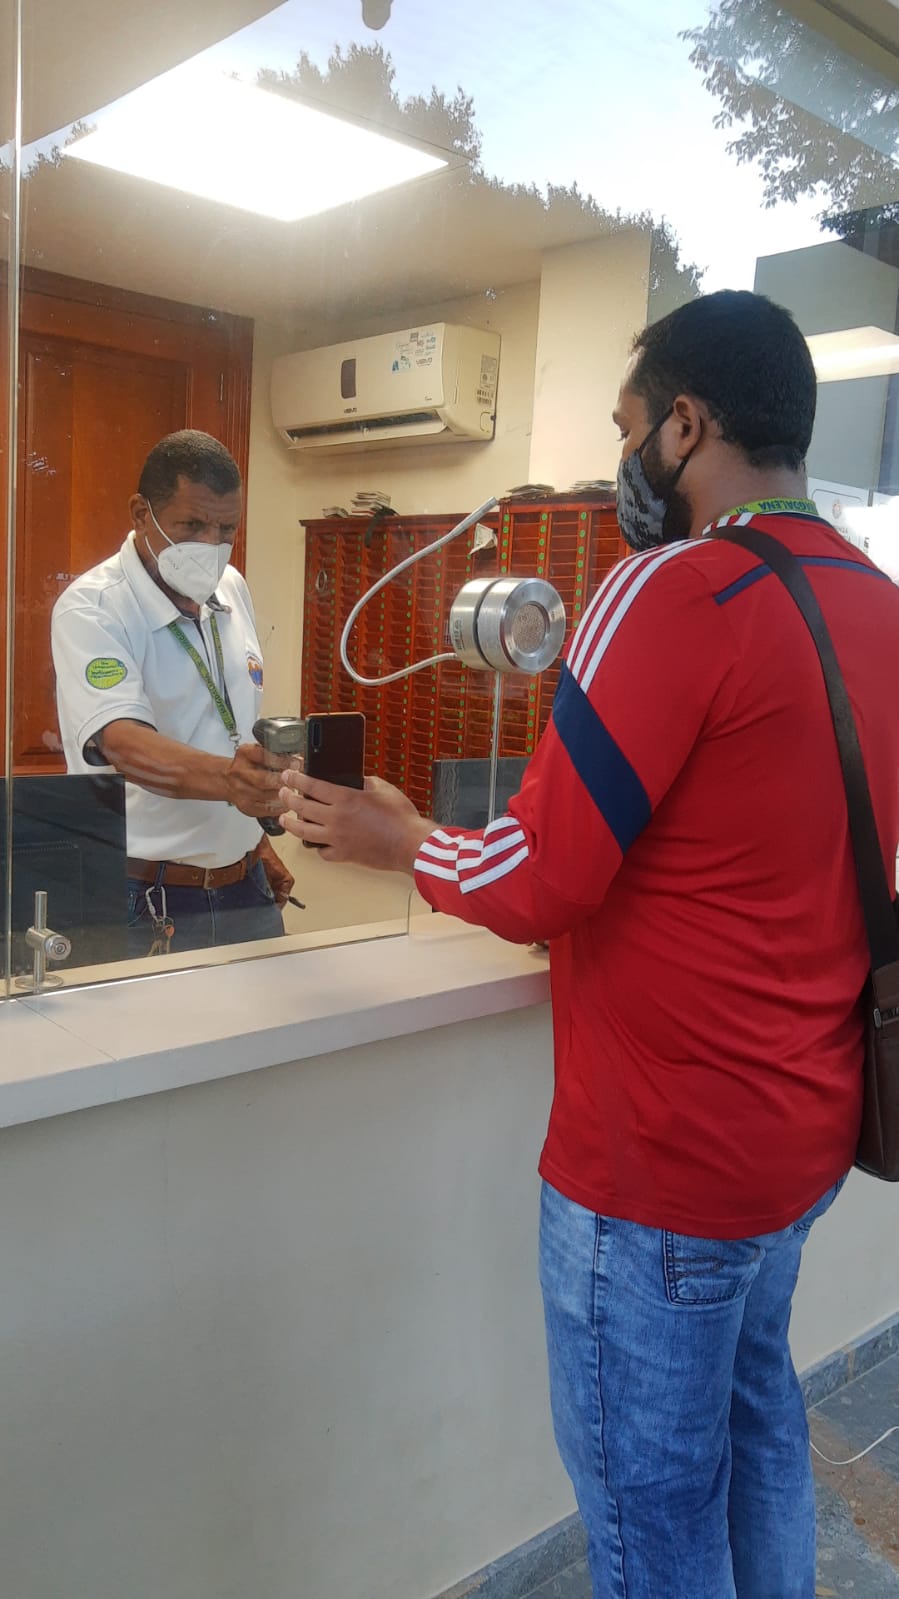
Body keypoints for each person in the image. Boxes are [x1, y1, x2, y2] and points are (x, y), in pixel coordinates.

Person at [277, 291, 899, 1599]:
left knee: (647, 1515)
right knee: (758, 1431)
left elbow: (539, 876)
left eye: (626, 428)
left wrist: (401, 839)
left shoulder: (670, 586)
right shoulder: (878, 605)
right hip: (802, 1138)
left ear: (684, 425)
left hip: (661, 1170)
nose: (620, 461)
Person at [52, 429, 292, 957]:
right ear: (142, 513)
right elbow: (123, 744)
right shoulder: (94, 607)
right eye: (192, 525)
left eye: (226, 528)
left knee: (272, 1014)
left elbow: (224, 729)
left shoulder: (231, 587)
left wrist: (252, 840)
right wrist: (233, 784)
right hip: (144, 895)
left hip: (245, 882)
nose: (211, 546)